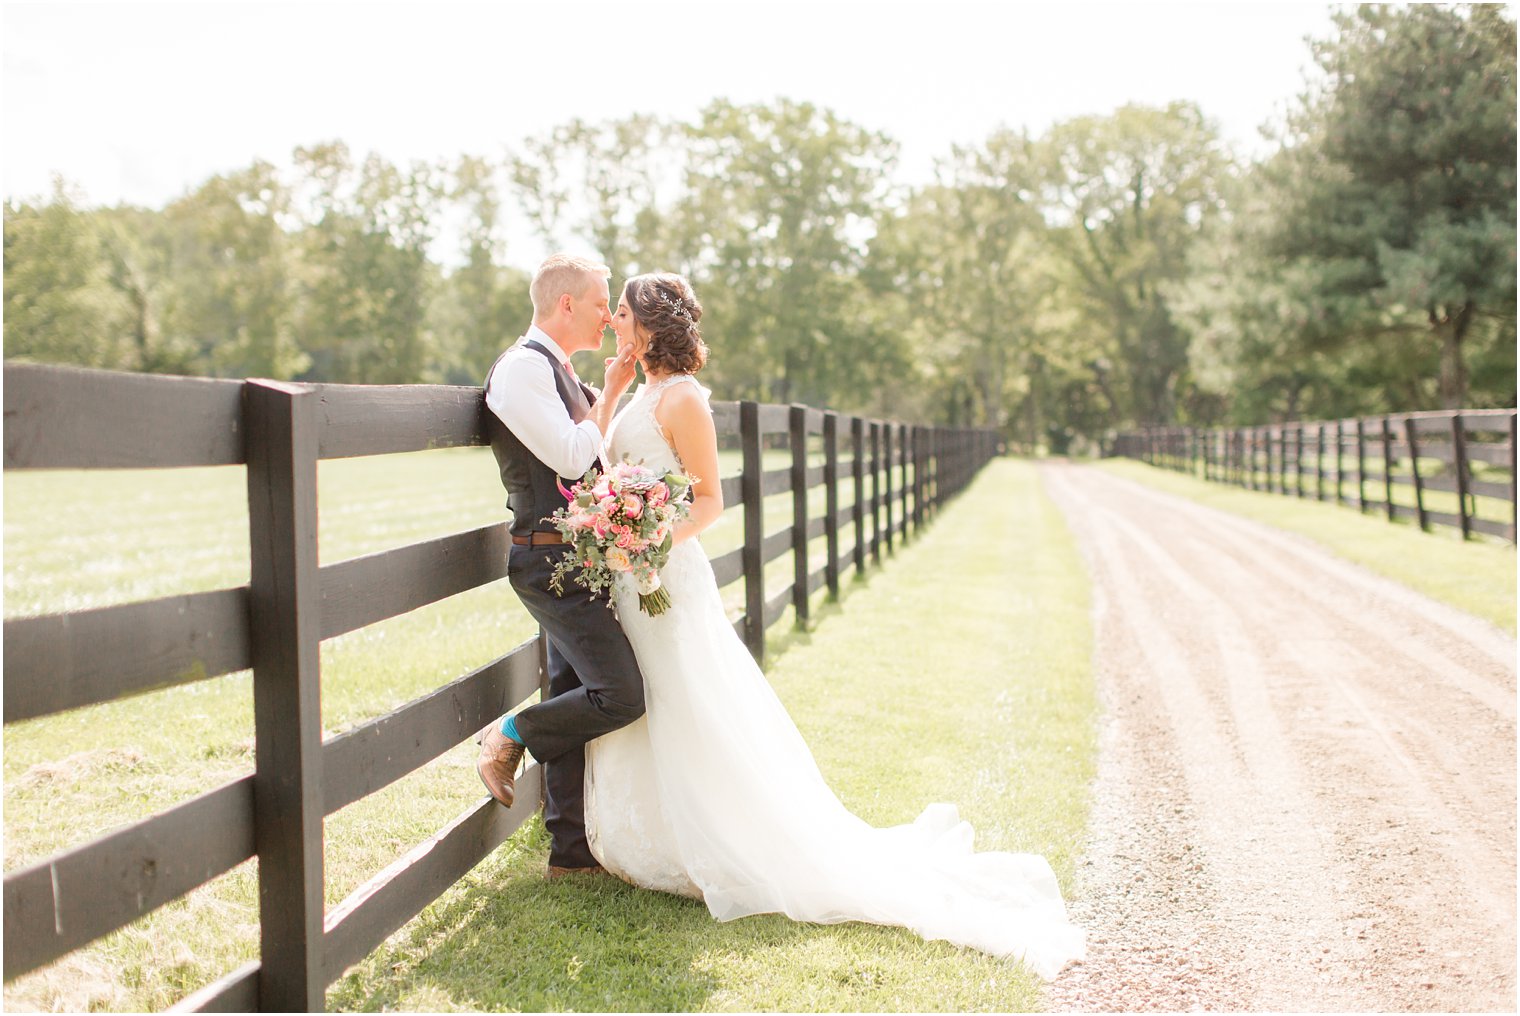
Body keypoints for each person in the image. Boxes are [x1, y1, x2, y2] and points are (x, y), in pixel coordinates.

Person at [580, 272, 1086, 978]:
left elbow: (710, 502)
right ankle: (653, 840)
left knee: (688, 699)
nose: (613, 324)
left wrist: (649, 545)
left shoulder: (685, 399)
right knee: (651, 698)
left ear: (651, 323)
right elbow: (601, 462)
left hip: (665, 575)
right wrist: (607, 395)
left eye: (624, 314)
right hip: (634, 578)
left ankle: (721, 844)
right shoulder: (636, 390)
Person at [477, 253, 644, 878]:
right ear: (566, 304)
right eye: (602, 302)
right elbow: (576, 457)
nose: (610, 314)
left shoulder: (564, 374)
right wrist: (610, 399)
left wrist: (613, 391)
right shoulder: (523, 370)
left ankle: (570, 855)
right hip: (547, 562)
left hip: (579, 559)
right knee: (621, 693)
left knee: (574, 694)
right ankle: (509, 735)